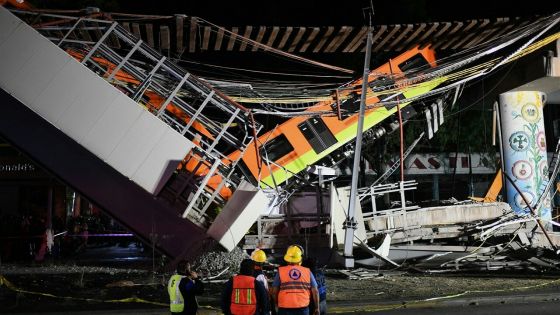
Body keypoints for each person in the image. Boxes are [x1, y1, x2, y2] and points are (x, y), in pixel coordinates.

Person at [271, 244, 320, 315]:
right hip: (303, 309)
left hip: (284, 309)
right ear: (300, 258)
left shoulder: (281, 271)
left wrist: (276, 304)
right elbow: (315, 291)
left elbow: (274, 292)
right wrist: (317, 308)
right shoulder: (307, 272)